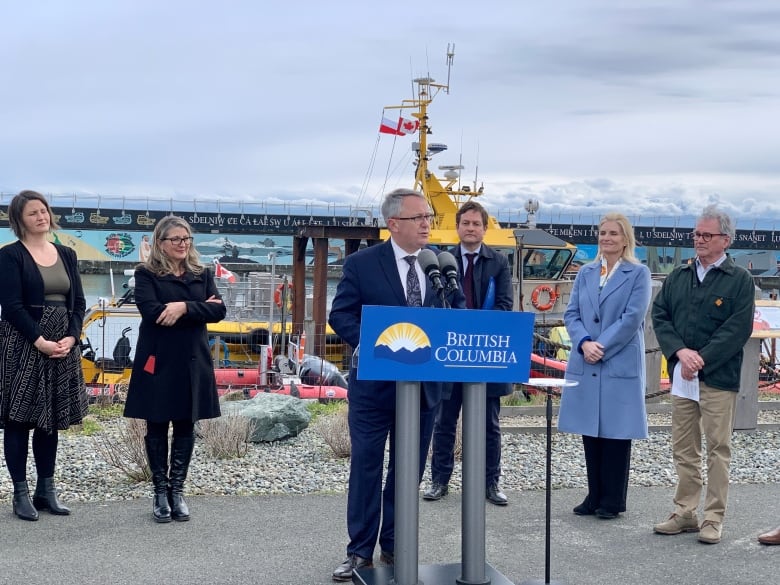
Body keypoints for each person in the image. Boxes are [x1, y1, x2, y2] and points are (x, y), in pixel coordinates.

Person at [328, 188, 464, 582]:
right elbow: (341, 315)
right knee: (367, 467)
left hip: (424, 389)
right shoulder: (362, 264)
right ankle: (359, 553)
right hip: (375, 388)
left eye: (428, 217)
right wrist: (380, 345)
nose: (427, 224)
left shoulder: (439, 263)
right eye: (419, 217)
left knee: (408, 470)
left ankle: (395, 545)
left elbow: (455, 315)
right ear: (393, 224)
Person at [652, 205, 754, 544]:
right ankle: (684, 511)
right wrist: (680, 352)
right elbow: (661, 314)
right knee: (684, 446)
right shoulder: (679, 277)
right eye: (696, 234)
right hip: (683, 376)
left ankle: (713, 517)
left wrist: (702, 358)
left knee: (717, 448)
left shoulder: (739, 280)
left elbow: (737, 328)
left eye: (706, 235)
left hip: (718, 378)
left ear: (725, 240)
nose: (698, 240)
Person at [123, 216, 226, 523]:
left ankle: (177, 491)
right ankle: (159, 491)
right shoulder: (146, 274)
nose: (183, 244)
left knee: (185, 424)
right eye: (176, 239)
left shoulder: (201, 273)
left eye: (186, 239)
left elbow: (219, 310)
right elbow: (152, 312)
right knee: (156, 424)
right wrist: (198, 308)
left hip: (193, 360)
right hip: (159, 359)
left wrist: (182, 308)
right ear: (161, 243)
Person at [0, 190, 88, 521]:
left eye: (44, 210)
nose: (41, 216)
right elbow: (10, 306)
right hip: (23, 344)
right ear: (19, 220)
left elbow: (77, 303)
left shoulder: (66, 253)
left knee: (50, 419)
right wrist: (39, 340)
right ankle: (20, 494)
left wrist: (72, 337)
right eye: (33, 213)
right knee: (19, 419)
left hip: (61, 345)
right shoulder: (10, 256)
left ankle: (46, 491)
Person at [557, 212, 652, 519]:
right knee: (591, 429)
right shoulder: (585, 273)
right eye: (603, 232)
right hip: (587, 359)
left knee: (616, 432)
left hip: (617, 360)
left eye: (613, 233)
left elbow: (632, 318)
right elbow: (571, 314)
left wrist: (602, 345)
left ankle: (613, 499)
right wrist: (584, 341)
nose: (607, 238)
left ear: (626, 239)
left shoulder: (638, 274)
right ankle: (594, 494)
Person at [423, 200, 513, 506]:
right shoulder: (439, 259)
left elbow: (504, 305)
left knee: (489, 424)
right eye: (466, 223)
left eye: (476, 224)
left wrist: (474, 330)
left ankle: (491, 483)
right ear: (458, 227)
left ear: (484, 229)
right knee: (444, 421)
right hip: (448, 353)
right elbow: (432, 303)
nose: (471, 228)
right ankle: (439, 481)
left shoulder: (499, 262)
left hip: (483, 354)